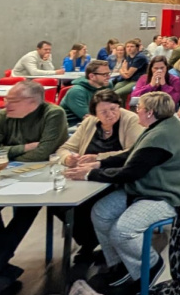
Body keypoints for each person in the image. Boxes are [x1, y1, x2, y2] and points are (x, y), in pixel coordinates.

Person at [67, 91, 180, 289]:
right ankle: (119, 263)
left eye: (139, 108)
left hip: (169, 195)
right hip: (151, 187)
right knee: (100, 212)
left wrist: (89, 174)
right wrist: (99, 163)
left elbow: (130, 172)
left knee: (122, 232)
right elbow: (133, 155)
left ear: (149, 112)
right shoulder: (159, 126)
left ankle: (151, 266)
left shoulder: (161, 136)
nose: (135, 111)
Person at [0, 81, 69, 295]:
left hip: (43, 178)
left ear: (32, 103)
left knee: (28, 206)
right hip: (5, 176)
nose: (6, 104)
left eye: (12, 100)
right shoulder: (4, 116)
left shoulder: (53, 114)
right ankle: (2, 268)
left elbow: (43, 154)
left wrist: (4, 154)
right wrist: (24, 148)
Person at [55, 88, 144, 262]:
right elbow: (65, 148)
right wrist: (68, 159)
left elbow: (133, 153)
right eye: (103, 112)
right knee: (58, 204)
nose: (110, 114)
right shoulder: (89, 123)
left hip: (114, 177)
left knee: (91, 203)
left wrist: (98, 158)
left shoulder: (131, 120)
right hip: (85, 178)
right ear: (94, 114)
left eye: (113, 109)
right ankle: (89, 241)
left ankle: (103, 246)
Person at [61, 59, 113, 126]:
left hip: (96, 124)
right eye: (105, 74)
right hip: (73, 126)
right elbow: (90, 117)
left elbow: (114, 109)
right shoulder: (77, 91)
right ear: (92, 76)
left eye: (108, 73)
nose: (109, 77)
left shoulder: (107, 86)